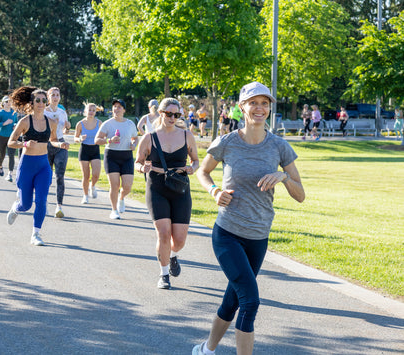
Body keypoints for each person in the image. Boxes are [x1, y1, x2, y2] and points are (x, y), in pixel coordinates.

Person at [194, 82, 305, 355]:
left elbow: (300, 194)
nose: (259, 108)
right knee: (250, 301)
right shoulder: (227, 142)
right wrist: (214, 191)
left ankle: (206, 349)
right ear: (241, 107)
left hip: (258, 237)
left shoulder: (279, 147)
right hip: (228, 233)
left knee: (233, 299)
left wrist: (284, 176)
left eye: (264, 103)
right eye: (253, 102)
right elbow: (202, 171)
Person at [134, 98, 199, 289]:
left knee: (178, 240)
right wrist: (141, 168)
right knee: (163, 233)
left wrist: (192, 168)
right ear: (160, 113)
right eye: (169, 114)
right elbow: (137, 161)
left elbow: (196, 160)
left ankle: (172, 255)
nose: (172, 118)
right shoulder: (149, 138)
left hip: (180, 188)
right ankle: (163, 275)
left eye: (176, 115)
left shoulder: (187, 135)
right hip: (157, 187)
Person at [6, 87, 67, 246]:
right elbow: (11, 142)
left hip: (43, 166)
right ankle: (16, 208)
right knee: (26, 205)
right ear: (32, 103)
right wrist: (24, 143)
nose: (41, 103)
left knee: (41, 200)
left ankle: (36, 234)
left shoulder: (52, 122)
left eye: (43, 100)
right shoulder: (25, 121)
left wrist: (60, 143)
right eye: (37, 100)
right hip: (27, 166)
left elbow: (52, 140)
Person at [95, 99, 138, 219]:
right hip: (112, 156)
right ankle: (114, 210)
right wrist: (109, 140)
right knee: (114, 185)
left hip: (127, 156)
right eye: (114, 106)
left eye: (119, 107)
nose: (116, 109)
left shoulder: (130, 124)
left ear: (124, 110)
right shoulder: (108, 124)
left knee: (127, 186)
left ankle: (122, 198)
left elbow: (135, 138)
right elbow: (97, 140)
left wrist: (134, 145)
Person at [44, 87, 71, 218]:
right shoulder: (43, 112)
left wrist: (67, 127)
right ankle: (43, 203)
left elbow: (65, 131)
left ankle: (59, 206)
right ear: (48, 98)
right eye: (53, 95)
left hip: (60, 144)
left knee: (60, 176)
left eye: (57, 95)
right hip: (46, 145)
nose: (55, 97)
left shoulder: (62, 112)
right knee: (46, 177)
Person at [74, 102, 102, 204]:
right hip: (84, 150)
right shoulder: (80, 124)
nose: (91, 112)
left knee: (96, 174)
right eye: (89, 110)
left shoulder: (99, 123)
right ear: (85, 111)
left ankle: (93, 186)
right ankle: (85, 196)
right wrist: (79, 138)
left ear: (95, 112)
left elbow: (103, 136)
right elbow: (75, 138)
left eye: (93, 110)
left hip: (95, 150)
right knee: (86, 175)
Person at [0, 96, 18, 182]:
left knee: (11, 155)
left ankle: (10, 174)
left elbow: (17, 122)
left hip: (11, 137)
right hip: (1, 137)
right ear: (3, 103)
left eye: (10, 101)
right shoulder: (0, 113)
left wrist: (15, 125)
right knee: (2, 155)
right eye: (7, 101)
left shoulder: (14, 113)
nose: (8, 103)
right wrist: (4, 123)